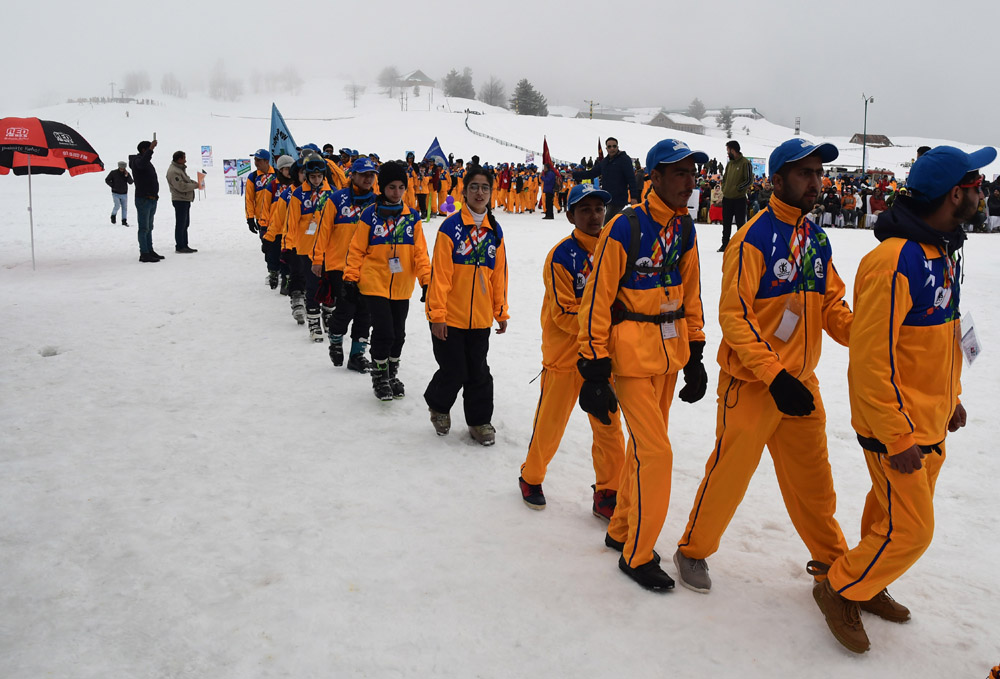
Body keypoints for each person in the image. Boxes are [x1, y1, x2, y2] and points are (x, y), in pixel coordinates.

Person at [811, 145, 992, 654]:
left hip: (929, 421)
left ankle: (867, 582)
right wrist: (896, 436)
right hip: (897, 429)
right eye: (975, 185)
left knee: (888, 519)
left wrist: (952, 397)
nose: (982, 193)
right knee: (913, 531)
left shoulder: (941, 251)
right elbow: (871, 361)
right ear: (954, 194)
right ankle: (840, 587)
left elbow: (938, 340)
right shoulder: (892, 262)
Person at [674, 139, 853, 596]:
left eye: (818, 173)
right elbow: (735, 317)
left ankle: (835, 567)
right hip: (754, 384)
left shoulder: (816, 239)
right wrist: (774, 376)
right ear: (776, 180)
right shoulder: (751, 238)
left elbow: (832, 305)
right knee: (730, 475)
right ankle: (693, 550)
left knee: (815, 485)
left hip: (800, 384)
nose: (816, 182)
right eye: (805, 173)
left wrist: (868, 332)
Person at [577, 139, 708, 591]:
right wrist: (594, 365)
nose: (689, 181)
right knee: (657, 454)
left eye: (692, 173)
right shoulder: (625, 226)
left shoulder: (685, 228)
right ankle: (637, 554)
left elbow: (692, 292)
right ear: (654, 177)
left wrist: (696, 351)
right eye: (679, 172)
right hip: (630, 358)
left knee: (642, 451)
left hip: (669, 356)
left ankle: (620, 529)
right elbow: (596, 297)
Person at [518, 183, 626, 516]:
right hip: (565, 357)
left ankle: (608, 491)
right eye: (585, 210)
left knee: (609, 428)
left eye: (599, 209)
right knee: (550, 425)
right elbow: (563, 313)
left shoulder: (614, 250)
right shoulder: (561, 256)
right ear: (570, 216)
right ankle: (531, 477)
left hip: (602, 356)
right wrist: (605, 316)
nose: (594, 216)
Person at [424, 164, 509, 446]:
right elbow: (440, 276)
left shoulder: (494, 231)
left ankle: (479, 421)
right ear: (465, 191)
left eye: (485, 187)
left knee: (478, 371)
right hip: (449, 316)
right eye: (474, 187)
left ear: (491, 192)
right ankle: (438, 406)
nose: (480, 192)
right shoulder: (450, 227)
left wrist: (500, 310)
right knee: (454, 369)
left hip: (480, 318)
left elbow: (499, 275)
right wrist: (437, 315)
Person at [343, 161, 431, 401]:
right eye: (392, 187)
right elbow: (356, 249)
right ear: (382, 188)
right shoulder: (369, 215)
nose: (397, 192)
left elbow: (420, 254)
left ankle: (392, 373)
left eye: (401, 187)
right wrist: (350, 278)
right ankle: (380, 376)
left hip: (402, 286)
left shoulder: (412, 217)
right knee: (384, 331)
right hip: (374, 282)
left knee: (399, 334)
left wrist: (426, 281)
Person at [313, 157, 379, 369]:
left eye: (371, 175)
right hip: (339, 266)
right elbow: (323, 231)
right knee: (346, 309)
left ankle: (357, 355)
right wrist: (318, 259)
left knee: (365, 313)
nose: (368, 179)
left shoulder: (377, 202)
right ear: (353, 176)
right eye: (363, 175)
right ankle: (335, 340)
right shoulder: (336, 199)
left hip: (368, 268)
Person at [572, 137, 640, 223]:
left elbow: (631, 178)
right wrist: (574, 175)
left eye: (614, 146)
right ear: (606, 148)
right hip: (607, 198)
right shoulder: (605, 162)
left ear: (617, 147)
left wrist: (634, 197)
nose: (612, 148)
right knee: (611, 224)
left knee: (606, 223)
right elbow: (591, 173)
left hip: (619, 198)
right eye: (609, 146)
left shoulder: (624, 159)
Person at [129, 139, 162, 262]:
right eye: (148, 149)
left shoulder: (146, 162)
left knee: (149, 227)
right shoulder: (137, 161)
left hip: (151, 199)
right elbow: (142, 163)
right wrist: (151, 149)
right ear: (144, 150)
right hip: (143, 199)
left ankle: (149, 250)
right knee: (144, 228)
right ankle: (144, 253)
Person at [719, 140, 752, 251]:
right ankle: (725, 244)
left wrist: (738, 189)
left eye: (728, 150)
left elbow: (749, 180)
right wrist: (724, 188)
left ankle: (740, 245)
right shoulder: (729, 164)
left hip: (739, 199)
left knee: (740, 224)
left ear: (733, 150)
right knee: (726, 224)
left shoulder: (745, 163)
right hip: (727, 198)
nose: (727, 152)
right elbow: (725, 178)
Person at [166, 151, 199, 253]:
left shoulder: (180, 170)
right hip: (180, 200)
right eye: (184, 158)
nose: (185, 160)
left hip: (185, 199)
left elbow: (186, 181)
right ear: (179, 159)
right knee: (181, 224)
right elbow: (181, 186)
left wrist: (194, 183)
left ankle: (184, 244)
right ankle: (180, 246)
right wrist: (195, 186)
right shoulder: (174, 171)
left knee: (185, 223)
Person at [105, 161, 132, 226]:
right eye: (121, 167)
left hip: (124, 193)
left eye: (123, 168)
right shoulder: (113, 173)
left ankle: (124, 221)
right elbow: (107, 180)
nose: (122, 169)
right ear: (119, 167)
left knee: (124, 208)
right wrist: (113, 185)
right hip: (115, 193)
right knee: (117, 205)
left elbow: (131, 182)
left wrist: (127, 176)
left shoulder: (127, 174)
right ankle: (113, 215)